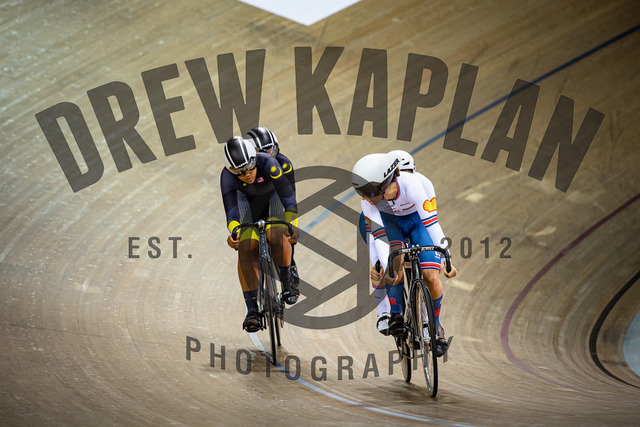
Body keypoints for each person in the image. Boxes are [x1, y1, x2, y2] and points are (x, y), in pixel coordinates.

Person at [352, 152, 457, 357]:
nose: (363, 198)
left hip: (418, 223)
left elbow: (431, 224)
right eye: (360, 193)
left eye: (366, 193)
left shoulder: (413, 184)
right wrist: (382, 264)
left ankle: (435, 326)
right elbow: (379, 238)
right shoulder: (370, 202)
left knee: (431, 276)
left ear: (381, 186)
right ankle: (396, 315)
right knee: (393, 265)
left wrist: (447, 258)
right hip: (391, 223)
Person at [220, 136, 300, 333]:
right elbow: (232, 213)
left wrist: (291, 225)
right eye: (240, 173)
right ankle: (252, 311)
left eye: (250, 168)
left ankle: (287, 280)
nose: (247, 175)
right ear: (232, 170)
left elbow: (289, 200)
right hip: (247, 206)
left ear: (255, 160)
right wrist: (235, 232)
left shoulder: (269, 163)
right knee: (245, 248)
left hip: (273, 201)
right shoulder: (226, 177)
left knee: (277, 234)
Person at [245, 127, 299, 288]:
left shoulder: (284, 164)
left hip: (276, 199)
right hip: (254, 200)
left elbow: (290, 196)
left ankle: (290, 267)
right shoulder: (248, 171)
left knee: (285, 231)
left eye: (272, 151)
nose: (270, 156)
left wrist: (291, 225)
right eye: (264, 153)